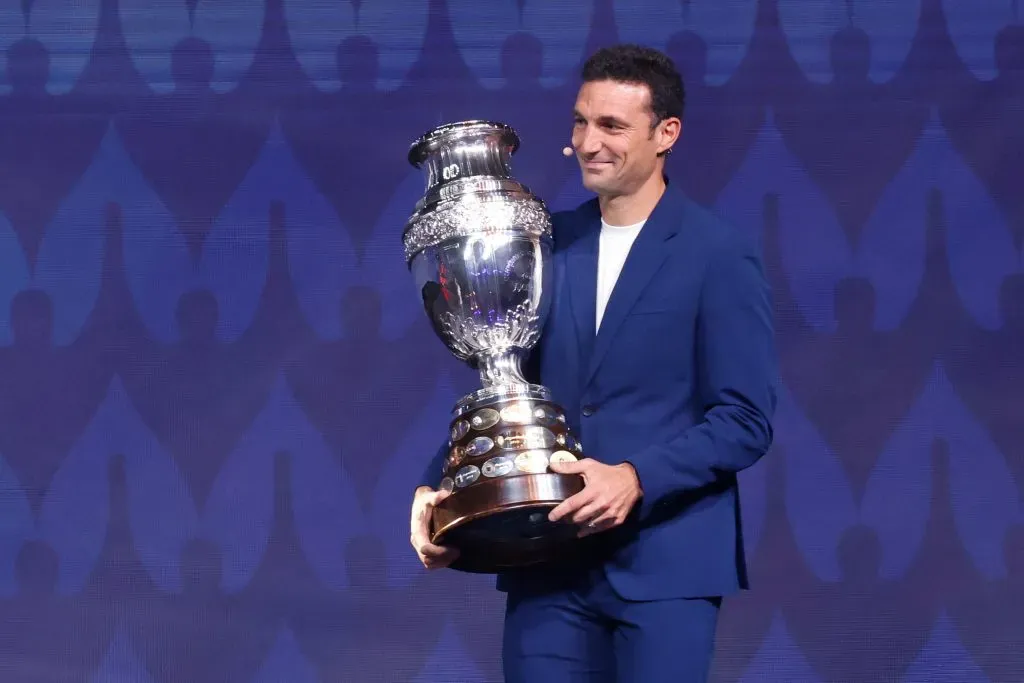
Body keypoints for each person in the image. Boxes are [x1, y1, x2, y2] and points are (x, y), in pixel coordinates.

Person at [409, 44, 778, 682]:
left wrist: (635, 476)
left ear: (667, 134)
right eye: (581, 122)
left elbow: (745, 418)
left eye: (612, 126)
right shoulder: (547, 243)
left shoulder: (717, 254)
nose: (587, 142)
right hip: (547, 559)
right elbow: (505, 381)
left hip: (667, 565)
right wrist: (438, 487)